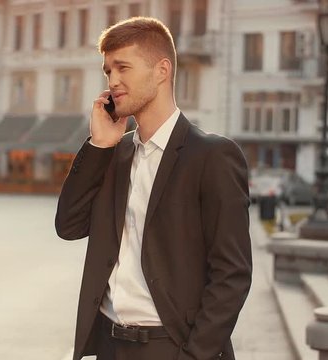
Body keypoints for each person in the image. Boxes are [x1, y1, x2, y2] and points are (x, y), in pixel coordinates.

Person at [55, 17, 252, 360]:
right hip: (108, 344)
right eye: (107, 71)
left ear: (162, 70)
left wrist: (195, 355)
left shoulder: (212, 156)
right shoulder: (114, 154)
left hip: (170, 346)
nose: (113, 81)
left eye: (123, 67)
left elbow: (232, 274)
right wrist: (100, 144)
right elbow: (68, 226)